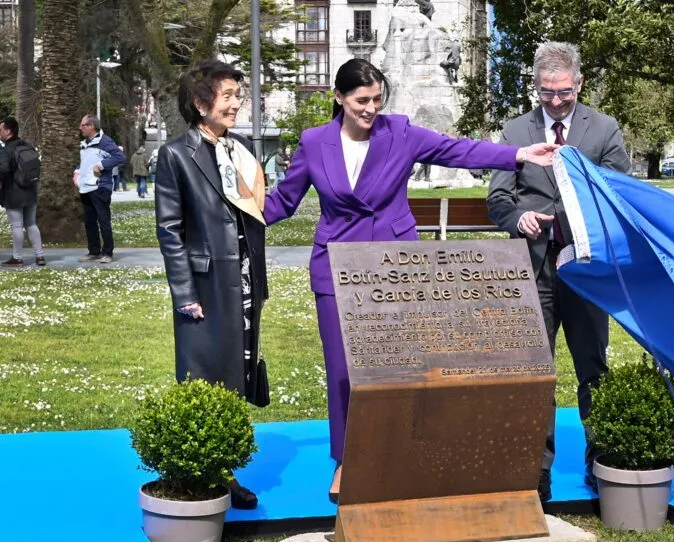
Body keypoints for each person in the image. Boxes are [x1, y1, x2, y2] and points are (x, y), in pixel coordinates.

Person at [263, 58, 558, 502]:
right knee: (343, 373)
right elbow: (284, 200)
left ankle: (401, 454)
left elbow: (455, 149)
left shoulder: (399, 132)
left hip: (396, 269)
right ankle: (346, 461)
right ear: (339, 98)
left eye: (377, 100)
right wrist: (233, 219)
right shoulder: (313, 141)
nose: (370, 109)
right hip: (336, 268)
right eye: (362, 101)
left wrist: (517, 154)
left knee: (400, 368)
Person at [487, 42, 631, 501]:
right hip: (533, 271)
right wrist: (517, 219)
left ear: (580, 83)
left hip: (587, 270)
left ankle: (600, 462)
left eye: (564, 92)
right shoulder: (514, 131)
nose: (555, 101)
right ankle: (536, 470)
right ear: (536, 86)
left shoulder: (604, 130)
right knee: (536, 370)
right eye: (547, 92)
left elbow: (618, 196)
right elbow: (498, 198)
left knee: (593, 367)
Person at [155, 59, 268, 510]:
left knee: (236, 374)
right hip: (203, 286)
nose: (237, 104)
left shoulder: (239, 149)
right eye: (229, 96)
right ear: (201, 104)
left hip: (242, 280)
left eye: (238, 96)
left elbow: (254, 210)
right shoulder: (176, 155)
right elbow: (170, 229)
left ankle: (225, 470)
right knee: (203, 377)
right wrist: (184, 293)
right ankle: (198, 474)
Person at [74, 115, 125, 264]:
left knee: (103, 221)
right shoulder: (85, 143)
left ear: (92, 126)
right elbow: (84, 162)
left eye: (83, 125)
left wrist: (102, 165)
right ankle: (94, 251)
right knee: (89, 222)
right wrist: (77, 172)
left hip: (100, 187)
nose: (80, 128)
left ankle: (107, 253)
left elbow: (120, 157)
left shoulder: (105, 142)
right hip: (85, 187)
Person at [0, 116, 45, 267]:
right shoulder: (27, 145)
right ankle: (39, 256)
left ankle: (17, 257)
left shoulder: (7, 150)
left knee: (17, 225)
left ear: (8, 131)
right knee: (31, 224)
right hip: (30, 190)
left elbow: (4, 169)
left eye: (1, 130)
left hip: (13, 192)